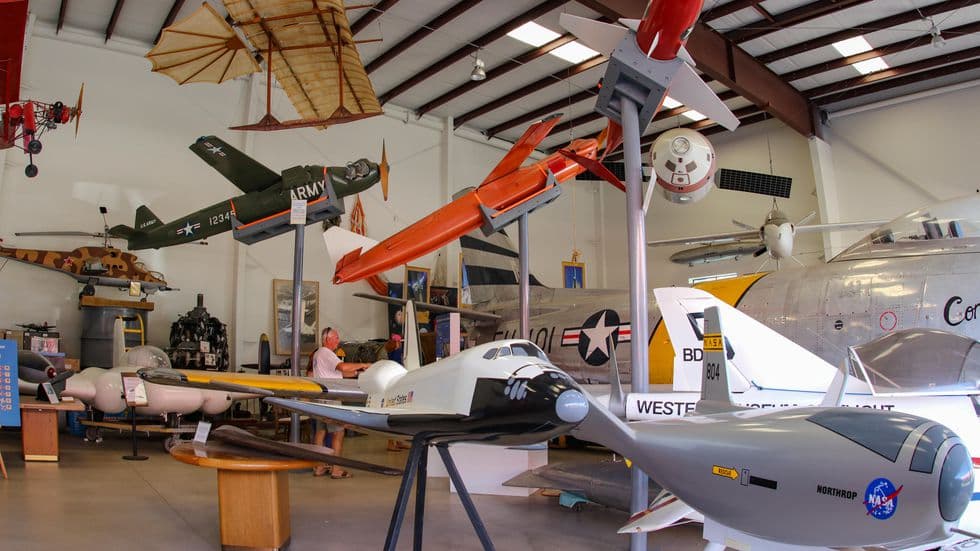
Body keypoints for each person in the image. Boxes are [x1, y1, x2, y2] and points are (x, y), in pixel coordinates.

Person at [309, 327, 370, 478]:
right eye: (336, 337)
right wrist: (364, 365)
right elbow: (343, 367)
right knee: (338, 432)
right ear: (327, 339)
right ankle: (336, 470)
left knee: (320, 432)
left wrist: (358, 373)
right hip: (331, 399)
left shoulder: (318, 354)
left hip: (320, 399)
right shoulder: (326, 353)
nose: (338, 340)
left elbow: (339, 373)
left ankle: (319, 467)